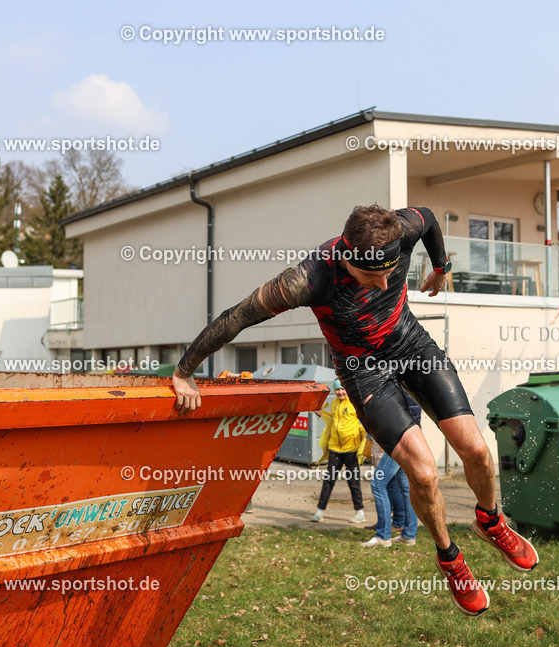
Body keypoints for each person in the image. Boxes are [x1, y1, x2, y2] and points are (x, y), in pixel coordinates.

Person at [171, 204, 538, 616]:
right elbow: (237, 317)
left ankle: (490, 521)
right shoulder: (306, 280)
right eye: (371, 276)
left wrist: (441, 265)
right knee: (423, 472)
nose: (383, 284)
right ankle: (450, 559)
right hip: (364, 372)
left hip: (411, 344)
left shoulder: (400, 227)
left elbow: (431, 217)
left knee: (476, 451)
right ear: (347, 258)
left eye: (390, 271)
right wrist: (184, 371)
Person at [360, 393, 421, 548]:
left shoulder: (395, 381)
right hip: (408, 436)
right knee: (405, 487)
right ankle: (408, 535)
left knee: (378, 483)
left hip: (398, 438)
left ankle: (383, 536)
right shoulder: (407, 381)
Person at [311, 379, 367, 524]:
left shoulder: (354, 403)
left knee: (353, 481)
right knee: (329, 480)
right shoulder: (335, 403)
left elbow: (364, 419)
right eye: (337, 390)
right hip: (335, 448)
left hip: (351, 450)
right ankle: (319, 511)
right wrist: (321, 413)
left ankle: (360, 512)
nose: (340, 392)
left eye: (343, 389)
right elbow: (332, 419)